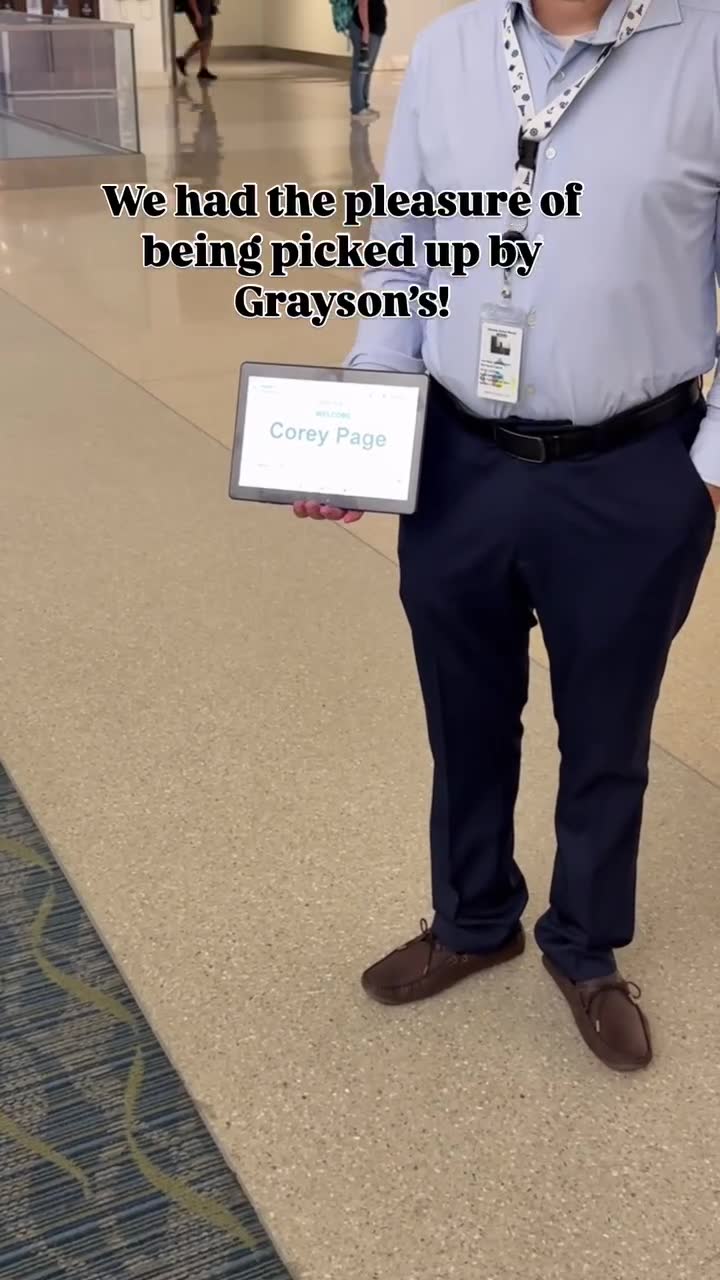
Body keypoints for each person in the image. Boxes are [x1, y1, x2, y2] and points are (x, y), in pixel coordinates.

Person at [294, 0, 720, 1073]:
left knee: (608, 731)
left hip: (631, 468)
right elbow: (407, 254)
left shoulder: (707, 46)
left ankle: (586, 943)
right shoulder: (451, 49)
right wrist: (365, 424)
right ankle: (474, 917)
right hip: (459, 460)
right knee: (465, 711)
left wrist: (707, 474)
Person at [349, 0, 387, 121]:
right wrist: (365, 29)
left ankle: (363, 104)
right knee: (361, 68)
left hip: (374, 29)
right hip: (365, 29)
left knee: (366, 69)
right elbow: (363, 3)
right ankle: (358, 108)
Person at [176, 0, 217, 83]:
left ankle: (203, 69)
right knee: (205, 40)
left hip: (205, 9)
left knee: (208, 39)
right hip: (199, 10)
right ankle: (183, 59)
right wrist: (196, 13)